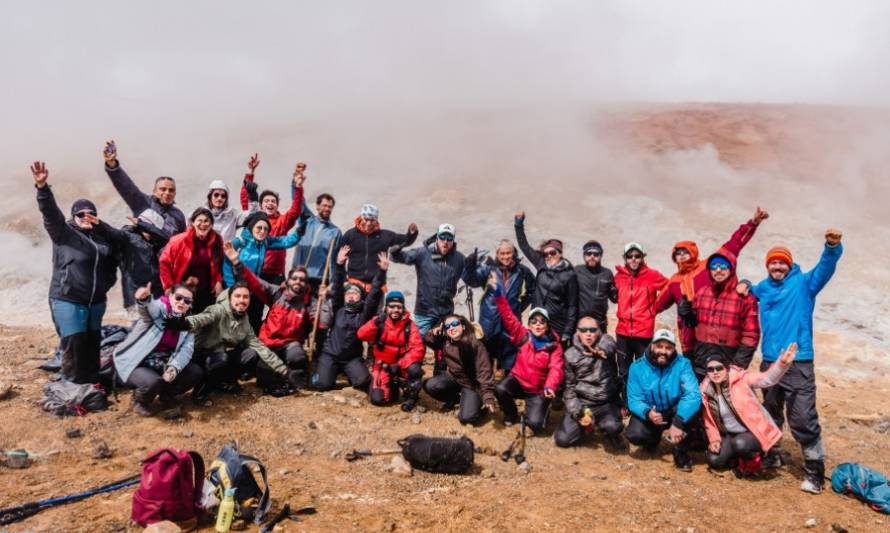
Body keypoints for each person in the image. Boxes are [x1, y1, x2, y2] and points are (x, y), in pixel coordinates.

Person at [741, 229, 844, 494]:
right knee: (771, 410)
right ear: (768, 266)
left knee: (802, 417)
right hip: (771, 361)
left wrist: (832, 247)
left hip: (799, 361)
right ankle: (772, 454)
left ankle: (815, 471)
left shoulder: (804, 284)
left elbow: (825, 269)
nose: (777, 266)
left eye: (782, 262)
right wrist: (743, 282)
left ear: (789, 264)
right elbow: (748, 291)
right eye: (773, 262)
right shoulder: (763, 288)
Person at [33, 161, 117, 384]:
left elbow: (110, 267)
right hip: (68, 300)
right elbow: (50, 214)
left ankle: (92, 387)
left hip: (96, 303)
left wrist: (103, 286)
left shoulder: (101, 238)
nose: (86, 217)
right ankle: (71, 391)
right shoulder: (64, 233)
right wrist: (42, 188)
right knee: (73, 347)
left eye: (91, 214)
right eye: (81, 214)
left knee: (91, 346)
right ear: (73, 217)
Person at [657, 208, 768, 354]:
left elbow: (734, 244)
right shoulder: (673, 282)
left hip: (716, 334)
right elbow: (654, 306)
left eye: (685, 251)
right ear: (674, 258)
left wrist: (753, 223)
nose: (682, 255)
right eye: (678, 253)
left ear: (693, 252)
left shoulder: (709, 265)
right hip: (689, 339)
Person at [177, 279, 302, 399]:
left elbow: (261, 348)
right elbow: (200, 319)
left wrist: (285, 371)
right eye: (237, 296)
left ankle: (223, 382)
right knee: (221, 358)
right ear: (230, 298)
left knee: (252, 354)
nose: (241, 300)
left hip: (218, 356)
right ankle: (201, 390)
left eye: (245, 297)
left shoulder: (244, 321)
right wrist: (182, 322)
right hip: (198, 356)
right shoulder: (218, 310)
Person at [223, 242, 319, 395]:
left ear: (306, 283)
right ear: (288, 280)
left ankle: (292, 377)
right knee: (261, 377)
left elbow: (322, 324)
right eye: (294, 278)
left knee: (297, 356)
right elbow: (254, 282)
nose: (298, 282)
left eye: (302, 280)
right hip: (267, 344)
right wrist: (237, 262)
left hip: (290, 345)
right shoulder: (276, 294)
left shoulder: (310, 301)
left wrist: (323, 301)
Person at [700, 345, 797, 476]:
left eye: (719, 368)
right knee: (715, 460)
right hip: (729, 434)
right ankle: (740, 458)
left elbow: (766, 379)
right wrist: (715, 440)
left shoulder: (740, 379)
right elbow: (709, 421)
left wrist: (782, 363)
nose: (715, 372)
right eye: (711, 369)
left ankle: (759, 461)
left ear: (727, 368)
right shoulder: (705, 391)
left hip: (752, 432)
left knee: (741, 444)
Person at [113, 283, 203, 416]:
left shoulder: (188, 324)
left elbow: (186, 351)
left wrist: (174, 368)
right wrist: (144, 299)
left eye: (187, 300)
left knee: (194, 372)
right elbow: (148, 309)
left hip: (162, 362)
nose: (182, 302)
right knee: (152, 382)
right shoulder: (160, 310)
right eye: (179, 297)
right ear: (171, 296)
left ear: (190, 304)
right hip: (136, 363)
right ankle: (139, 401)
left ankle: (166, 396)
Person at [489, 275, 564, 433]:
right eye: (534, 321)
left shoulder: (554, 346)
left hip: (538, 390)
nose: (538, 324)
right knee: (500, 389)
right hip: (518, 381)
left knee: (535, 425)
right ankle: (511, 414)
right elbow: (508, 316)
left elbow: (556, 368)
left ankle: (542, 409)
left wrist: (550, 386)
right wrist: (497, 294)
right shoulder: (522, 335)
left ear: (547, 326)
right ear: (529, 325)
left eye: (542, 322)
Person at [625, 329, 701, 472]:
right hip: (652, 410)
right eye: (659, 346)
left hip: (675, 410)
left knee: (692, 412)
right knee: (635, 433)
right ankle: (653, 438)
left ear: (674, 349)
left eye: (668, 348)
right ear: (652, 345)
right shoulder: (637, 367)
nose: (663, 351)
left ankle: (680, 451)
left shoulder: (683, 364)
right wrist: (647, 413)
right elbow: (634, 399)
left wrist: (678, 420)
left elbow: (693, 395)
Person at [313, 247, 387, 392]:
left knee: (363, 382)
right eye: (349, 293)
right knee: (322, 385)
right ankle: (328, 371)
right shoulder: (338, 307)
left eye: (356, 293)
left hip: (351, 358)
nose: (352, 295)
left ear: (361, 297)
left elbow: (374, 294)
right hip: (331, 354)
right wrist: (340, 265)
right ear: (344, 296)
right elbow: (338, 285)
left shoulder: (364, 313)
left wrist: (382, 272)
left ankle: (347, 372)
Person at [677, 251, 760, 380]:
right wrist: (687, 314)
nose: (718, 270)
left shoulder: (745, 298)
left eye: (723, 266)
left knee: (725, 399)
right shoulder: (702, 293)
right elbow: (694, 323)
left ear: (731, 269)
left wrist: (738, 365)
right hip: (701, 361)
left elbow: (751, 335)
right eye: (714, 267)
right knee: (700, 399)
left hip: (728, 363)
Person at [222, 212, 303, 332]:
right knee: (235, 318)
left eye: (266, 229)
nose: (262, 231)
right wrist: (231, 287)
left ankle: (252, 346)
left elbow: (285, 242)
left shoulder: (264, 242)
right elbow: (226, 264)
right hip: (236, 285)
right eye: (259, 227)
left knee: (254, 318)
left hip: (254, 286)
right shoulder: (240, 241)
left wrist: (299, 232)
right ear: (252, 227)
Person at [390, 223, 473, 335]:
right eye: (442, 237)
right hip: (424, 313)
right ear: (437, 237)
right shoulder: (423, 253)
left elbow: (471, 279)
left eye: (449, 238)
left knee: (445, 348)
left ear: (453, 240)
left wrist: (473, 266)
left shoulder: (459, 259)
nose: (445, 241)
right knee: (419, 345)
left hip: (446, 314)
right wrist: (395, 253)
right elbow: (404, 257)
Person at [465, 240, 536, 372]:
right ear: (497, 255)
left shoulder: (522, 271)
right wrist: (469, 265)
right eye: (502, 253)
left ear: (513, 253)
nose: (505, 256)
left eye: (508, 253)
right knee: (486, 355)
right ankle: (487, 385)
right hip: (489, 319)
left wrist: (519, 306)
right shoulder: (488, 269)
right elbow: (471, 281)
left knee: (510, 353)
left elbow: (533, 289)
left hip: (511, 320)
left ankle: (507, 385)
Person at [555, 317, 624, 449]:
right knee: (562, 440)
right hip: (583, 402)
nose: (588, 333)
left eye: (593, 330)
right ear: (577, 332)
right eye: (584, 330)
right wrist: (577, 411)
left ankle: (609, 432)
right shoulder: (570, 355)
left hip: (606, 402)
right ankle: (587, 426)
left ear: (599, 332)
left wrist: (601, 350)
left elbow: (609, 344)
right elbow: (569, 388)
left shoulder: (605, 342)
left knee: (613, 427)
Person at [613, 242, 669, 399]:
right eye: (630, 256)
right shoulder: (619, 276)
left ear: (642, 258)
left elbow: (670, 289)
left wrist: (655, 308)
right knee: (623, 370)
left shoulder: (652, 275)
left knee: (645, 370)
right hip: (623, 332)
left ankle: (643, 402)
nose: (633, 259)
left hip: (643, 332)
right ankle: (626, 401)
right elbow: (612, 294)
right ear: (625, 258)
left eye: (637, 256)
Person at [91, 209, 170, 319]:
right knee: (139, 332)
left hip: (155, 295)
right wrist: (99, 225)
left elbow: (166, 238)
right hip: (135, 297)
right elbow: (112, 233)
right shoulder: (128, 236)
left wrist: (141, 224)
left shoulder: (155, 242)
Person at [514, 211, 579, 345]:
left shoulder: (569, 274)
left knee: (556, 360)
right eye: (546, 254)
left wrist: (568, 331)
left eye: (552, 253)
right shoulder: (541, 263)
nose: (549, 256)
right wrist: (518, 224)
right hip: (538, 321)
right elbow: (524, 246)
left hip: (557, 325)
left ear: (560, 253)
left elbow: (573, 305)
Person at [356, 290, 425, 410]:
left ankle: (411, 397)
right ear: (386, 307)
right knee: (378, 399)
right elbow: (361, 335)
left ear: (403, 308)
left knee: (415, 370)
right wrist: (375, 322)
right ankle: (391, 386)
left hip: (401, 366)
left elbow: (418, 349)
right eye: (392, 306)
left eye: (399, 307)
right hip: (382, 366)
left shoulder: (410, 325)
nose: (395, 310)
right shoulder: (379, 322)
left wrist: (399, 365)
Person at [423, 315, 497, 424]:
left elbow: (484, 371)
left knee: (466, 418)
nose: (451, 328)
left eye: (454, 324)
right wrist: (433, 333)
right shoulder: (446, 342)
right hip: (455, 379)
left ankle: (480, 407)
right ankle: (455, 399)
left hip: (472, 385)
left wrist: (488, 395)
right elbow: (429, 341)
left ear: (463, 326)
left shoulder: (475, 345)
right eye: (448, 326)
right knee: (431, 385)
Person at [240, 161, 306, 284]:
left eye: (273, 201)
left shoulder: (282, 221)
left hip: (276, 275)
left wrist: (298, 187)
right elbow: (246, 198)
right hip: (255, 271)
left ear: (277, 205)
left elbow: (295, 209)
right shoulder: (254, 219)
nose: (270, 203)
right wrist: (250, 173)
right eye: (266, 201)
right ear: (260, 204)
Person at [102, 140, 186, 236]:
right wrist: (112, 166)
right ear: (154, 191)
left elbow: (183, 241)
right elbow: (126, 187)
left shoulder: (178, 216)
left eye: (171, 190)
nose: (167, 193)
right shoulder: (143, 202)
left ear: (175, 193)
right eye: (162, 189)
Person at [158, 207, 224, 313]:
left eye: (207, 221)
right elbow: (164, 263)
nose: (203, 224)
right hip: (182, 291)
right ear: (193, 222)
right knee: (180, 322)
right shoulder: (178, 241)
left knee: (201, 323)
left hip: (205, 291)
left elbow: (219, 263)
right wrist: (168, 286)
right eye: (200, 220)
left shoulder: (217, 240)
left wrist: (218, 281)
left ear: (211, 224)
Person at [340, 203, 418, 291]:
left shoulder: (385, 236)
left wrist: (412, 234)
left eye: (372, 220)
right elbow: (339, 260)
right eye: (366, 219)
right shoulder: (350, 235)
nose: (369, 223)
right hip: (354, 284)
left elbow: (405, 241)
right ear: (361, 218)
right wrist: (344, 280)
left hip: (377, 285)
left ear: (376, 220)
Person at [291, 190, 342, 293]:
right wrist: (296, 185)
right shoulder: (307, 221)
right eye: (324, 205)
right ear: (317, 206)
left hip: (319, 280)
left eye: (329, 206)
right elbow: (298, 201)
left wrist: (331, 284)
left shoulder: (335, 232)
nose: (327, 208)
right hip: (299, 277)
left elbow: (334, 261)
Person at [205, 153, 260, 241]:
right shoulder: (201, 214)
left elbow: (251, 216)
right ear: (210, 196)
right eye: (216, 195)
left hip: (226, 253)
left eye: (223, 196)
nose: (219, 198)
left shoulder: (232, 214)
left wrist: (253, 197)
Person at [574, 241, 616, 334]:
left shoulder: (607, 273)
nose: (592, 256)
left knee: (601, 347)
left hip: (599, 322)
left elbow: (614, 298)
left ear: (601, 256)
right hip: (580, 322)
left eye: (596, 254)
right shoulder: (577, 271)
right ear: (584, 255)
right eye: (589, 254)